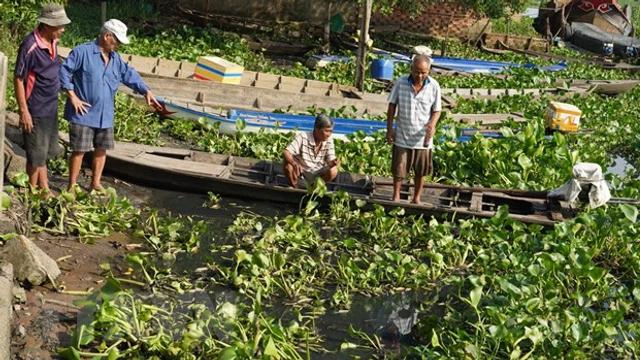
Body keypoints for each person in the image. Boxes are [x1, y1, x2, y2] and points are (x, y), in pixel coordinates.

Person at [59, 19, 161, 191]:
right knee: (79, 150)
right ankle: (72, 185)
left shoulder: (116, 59)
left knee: (101, 149)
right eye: (117, 41)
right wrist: (72, 96)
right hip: (83, 112)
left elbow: (129, 75)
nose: (119, 45)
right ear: (107, 36)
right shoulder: (82, 52)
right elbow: (64, 71)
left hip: (105, 114)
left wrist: (146, 91)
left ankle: (95, 183)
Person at [14, 3, 71, 192]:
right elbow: (19, 79)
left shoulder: (53, 41)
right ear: (47, 25)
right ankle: (31, 191)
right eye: (59, 26)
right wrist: (24, 111)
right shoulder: (30, 45)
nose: (62, 30)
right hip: (35, 109)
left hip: (50, 107)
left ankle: (44, 187)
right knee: (34, 154)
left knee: (44, 152)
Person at [386, 55, 442, 204]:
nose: (420, 76)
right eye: (417, 72)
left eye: (424, 72)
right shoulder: (401, 82)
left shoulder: (434, 86)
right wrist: (389, 129)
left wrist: (432, 124)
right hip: (403, 133)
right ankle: (396, 196)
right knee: (399, 169)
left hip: (422, 137)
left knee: (421, 170)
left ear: (429, 71)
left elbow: (437, 110)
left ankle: (416, 198)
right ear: (411, 69)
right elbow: (392, 106)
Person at [283, 114, 340, 188]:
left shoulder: (329, 140)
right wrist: (294, 164)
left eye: (330, 131)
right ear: (316, 129)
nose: (329, 134)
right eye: (326, 131)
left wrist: (334, 163)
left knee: (334, 170)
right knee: (288, 165)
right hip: (300, 172)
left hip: (317, 173)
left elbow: (330, 160)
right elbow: (286, 152)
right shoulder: (303, 136)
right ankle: (295, 187)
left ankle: (314, 188)